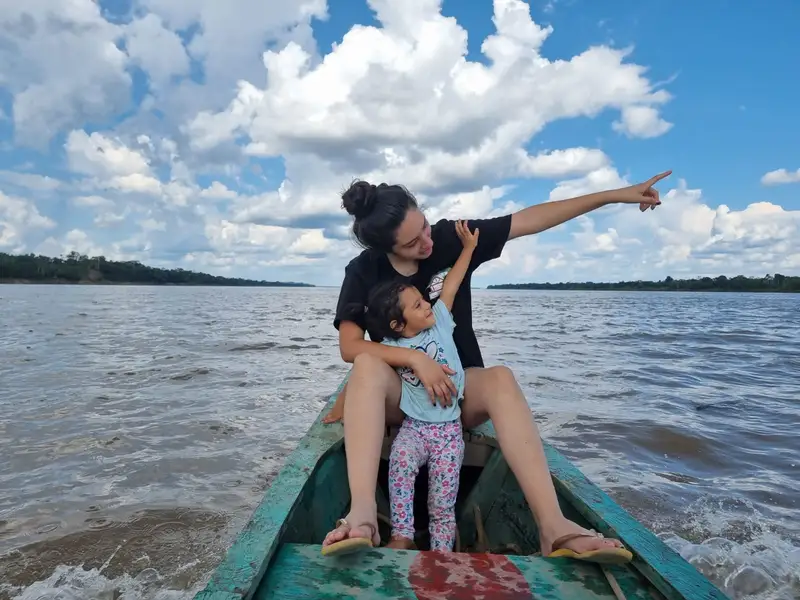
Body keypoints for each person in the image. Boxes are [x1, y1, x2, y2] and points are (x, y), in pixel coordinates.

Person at [321, 171, 671, 561]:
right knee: (367, 366)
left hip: (453, 397)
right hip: (399, 401)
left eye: (423, 226)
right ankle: (364, 516)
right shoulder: (363, 271)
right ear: (387, 249)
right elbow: (350, 347)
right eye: (412, 242)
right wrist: (415, 358)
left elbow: (530, 219)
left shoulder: (451, 238)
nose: (427, 241)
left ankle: (553, 527)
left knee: (501, 378)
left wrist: (616, 195)